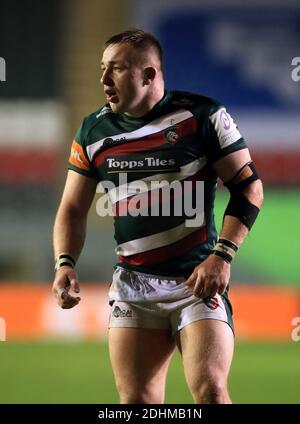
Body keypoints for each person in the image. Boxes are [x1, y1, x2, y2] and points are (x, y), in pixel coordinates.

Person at [52, 29, 263, 404]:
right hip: (134, 287)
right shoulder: (93, 131)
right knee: (136, 402)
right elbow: (72, 207)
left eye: (115, 69)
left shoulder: (202, 116)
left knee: (211, 391)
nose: (103, 80)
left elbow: (249, 188)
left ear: (149, 74)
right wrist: (64, 263)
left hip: (196, 283)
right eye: (102, 69)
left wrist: (222, 256)